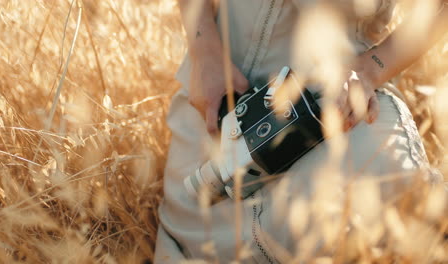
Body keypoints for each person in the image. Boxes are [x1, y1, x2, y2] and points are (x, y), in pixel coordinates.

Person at [154, 0, 447, 262]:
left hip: (336, 114)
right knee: (193, 234)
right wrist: (204, 51)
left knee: (386, 182)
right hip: (215, 103)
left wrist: (372, 68)